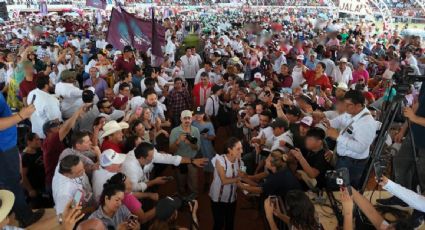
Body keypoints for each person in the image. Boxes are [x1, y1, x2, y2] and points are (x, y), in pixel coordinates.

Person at [0, 92, 45, 227]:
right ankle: (25, 217)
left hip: (6, 144)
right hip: (3, 147)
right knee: (12, 183)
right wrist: (21, 116)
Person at [326, 90, 377, 188]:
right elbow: (340, 120)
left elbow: (360, 148)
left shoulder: (367, 123)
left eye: (348, 105)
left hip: (352, 164)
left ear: (358, 105)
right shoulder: (351, 111)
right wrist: (329, 123)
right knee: (336, 186)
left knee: (345, 190)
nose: (345, 107)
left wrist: (338, 136)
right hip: (344, 160)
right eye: (345, 104)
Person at [121, 142, 206, 193]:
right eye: (151, 157)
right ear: (142, 158)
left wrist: (192, 160)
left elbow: (170, 159)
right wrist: (153, 182)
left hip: (145, 180)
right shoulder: (131, 166)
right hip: (132, 193)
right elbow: (134, 188)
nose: (154, 157)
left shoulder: (149, 152)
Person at [209, 137, 243, 230]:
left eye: (241, 148)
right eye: (238, 149)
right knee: (219, 224)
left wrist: (255, 186)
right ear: (229, 149)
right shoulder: (220, 160)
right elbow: (224, 180)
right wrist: (239, 179)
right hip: (218, 199)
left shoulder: (240, 161)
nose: (241, 151)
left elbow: (243, 176)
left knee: (230, 223)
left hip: (232, 198)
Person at [169, 110, 201, 196]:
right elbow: (171, 150)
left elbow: (197, 148)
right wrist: (178, 141)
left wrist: (190, 143)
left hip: (192, 160)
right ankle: (182, 199)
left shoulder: (196, 130)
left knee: (194, 184)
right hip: (180, 161)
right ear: (181, 119)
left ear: (192, 119)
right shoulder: (174, 131)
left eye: (189, 118)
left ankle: (193, 201)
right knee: (181, 183)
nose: (187, 120)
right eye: (185, 118)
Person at [21, 133, 45, 207]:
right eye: (37, 139)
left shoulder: (39, 150)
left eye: (39, 139)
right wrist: (30, 190)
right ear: (29, 142)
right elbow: (23, 175)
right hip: (34, 188)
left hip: (43, 185)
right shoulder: (25, 157)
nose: (39, 141)